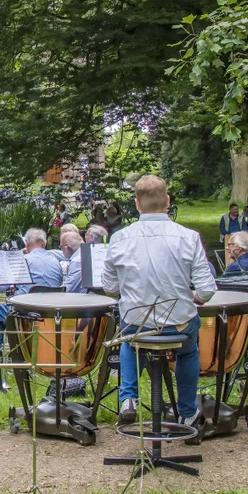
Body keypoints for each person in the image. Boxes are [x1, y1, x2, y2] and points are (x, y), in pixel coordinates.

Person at [102, 175, 215, 434]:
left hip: (137, 325)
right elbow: (207, 290)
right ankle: (187, 412)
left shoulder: (120, 238)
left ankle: (128, 399)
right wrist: (195, 297)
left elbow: (110, 288)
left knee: (130, 337)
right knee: (188, 351)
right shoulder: (188, 237)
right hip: (179, 326)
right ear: (167, 201)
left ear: (137, 204)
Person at [0, 228, 63, 360]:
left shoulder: (24, 260)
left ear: (26, 243)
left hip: (26, 313)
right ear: (44, 243)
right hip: (51, 313)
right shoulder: (55, 262)